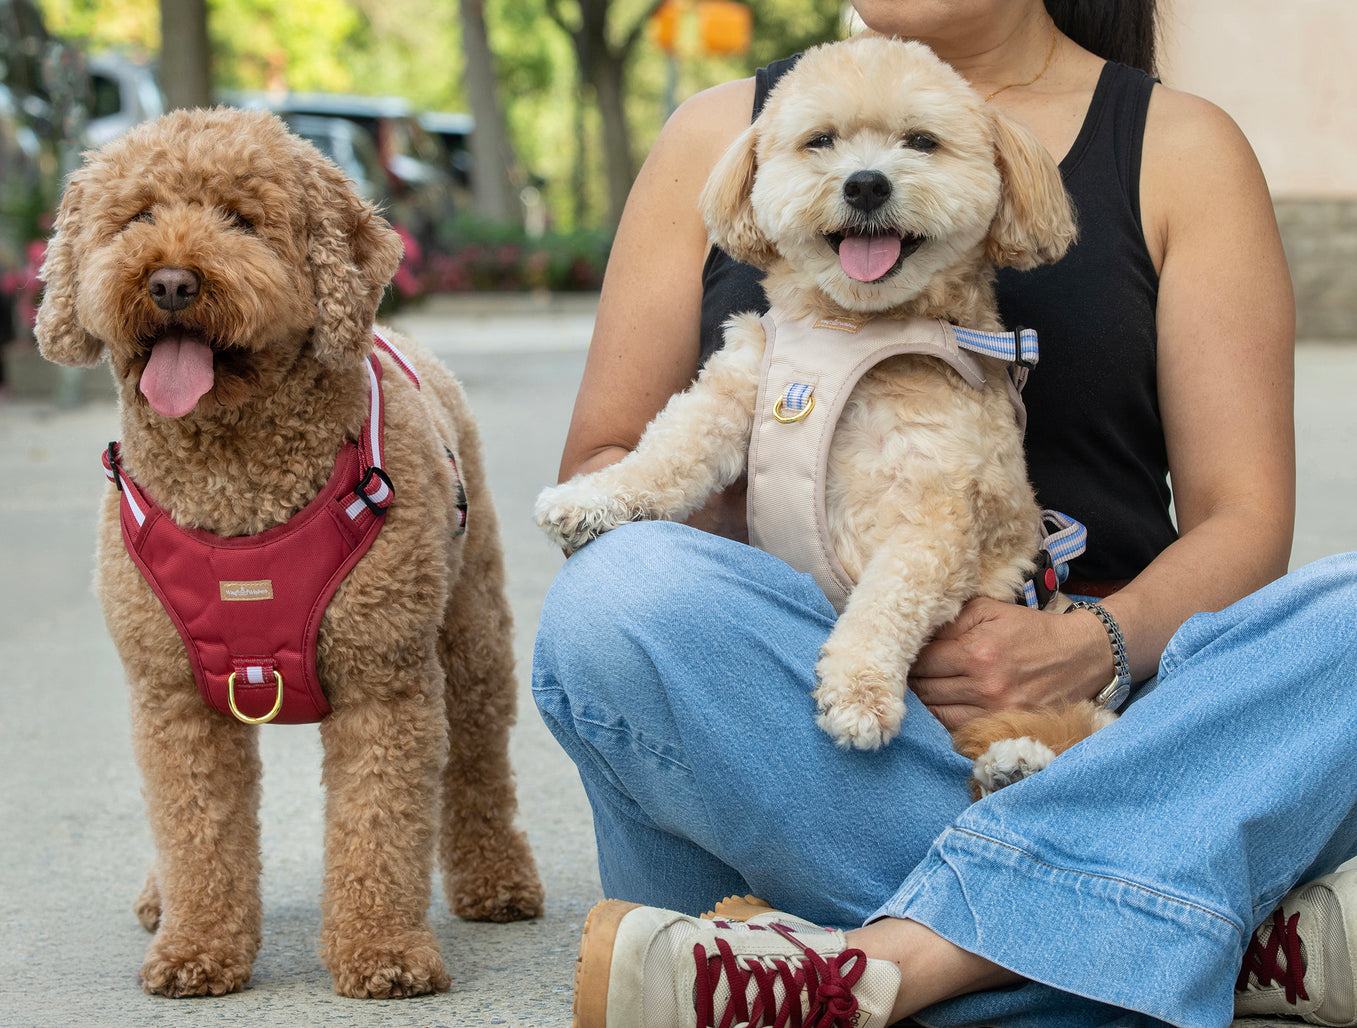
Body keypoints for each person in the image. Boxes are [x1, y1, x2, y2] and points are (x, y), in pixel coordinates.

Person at [532, 1, 1357, 1026]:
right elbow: (607, 472)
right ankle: (1188, 931)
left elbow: (1240, 523)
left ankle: (870, 966)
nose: (862, 166)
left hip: (1099, 730)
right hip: (797, 724)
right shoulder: (717, 133)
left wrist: (1087, 642)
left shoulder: (1179, 148)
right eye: (829, 144)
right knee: (617, 597)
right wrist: (808, 523)